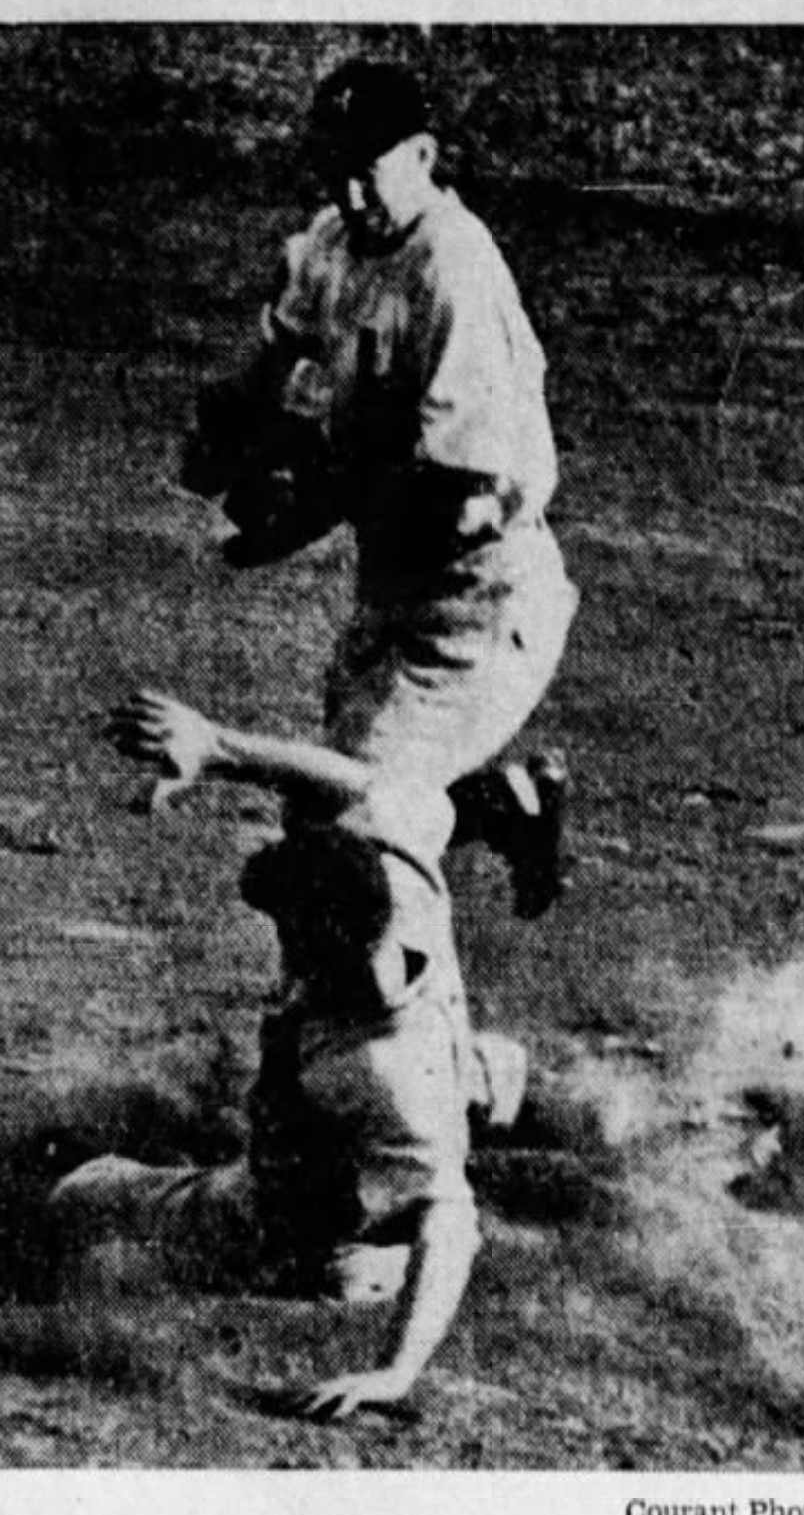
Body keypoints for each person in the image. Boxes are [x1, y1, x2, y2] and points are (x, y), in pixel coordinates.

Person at [50, 689, 527, 1419]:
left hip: (318, 1189)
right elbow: (362, 784)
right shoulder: (396, 873)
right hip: (442, 1070)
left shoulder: (380, 1066)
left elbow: (449, 1218)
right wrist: (215, 746)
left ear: (323, 939)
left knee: (81, 1207)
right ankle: (504, 1096)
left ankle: (364, 1260)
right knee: (450, 1088)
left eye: (290, 929)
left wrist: (395, 1371)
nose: (281, 941)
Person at [183, 59, 578, 918]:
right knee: (322, 820)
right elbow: (268, 366)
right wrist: (228, 435)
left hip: (480, 600)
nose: (353, 190)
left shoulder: (455, 270)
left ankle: (423, 1048)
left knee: (360, 835)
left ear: (426, 154)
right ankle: (506, 803)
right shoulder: (332, 239)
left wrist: (298, 506)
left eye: (371, 166)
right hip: (392, 594)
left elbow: (444, 493)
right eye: (336, 167)